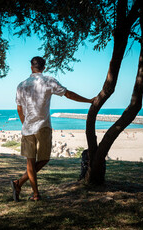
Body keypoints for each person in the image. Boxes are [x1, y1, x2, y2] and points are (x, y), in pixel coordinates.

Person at [11, 56, 95, 201]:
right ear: (44, 68)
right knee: (43, 159)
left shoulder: (21, 85)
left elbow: (19, 108)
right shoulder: (48, 80)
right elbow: (67, 94)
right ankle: (35, 194)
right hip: (43, 126)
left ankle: (19, 183)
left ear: (31, 67)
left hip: (28, 128)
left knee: (33, 161)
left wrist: (25, 123)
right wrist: (88, 100)